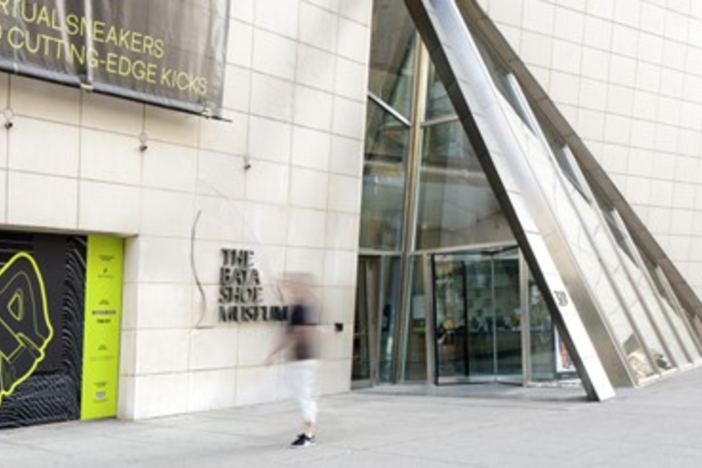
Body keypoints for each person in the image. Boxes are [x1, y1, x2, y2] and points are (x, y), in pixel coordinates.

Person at [264, 273, 319, 448]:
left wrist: (274, 353)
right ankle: (307, 431)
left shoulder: (301, 309)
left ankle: (308, 435)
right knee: (301, 395)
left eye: (292, 285)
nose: (289, 288)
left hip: (304, 360)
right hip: (301, 360)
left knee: (304, 397)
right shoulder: (300, 307)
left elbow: (294, 334)